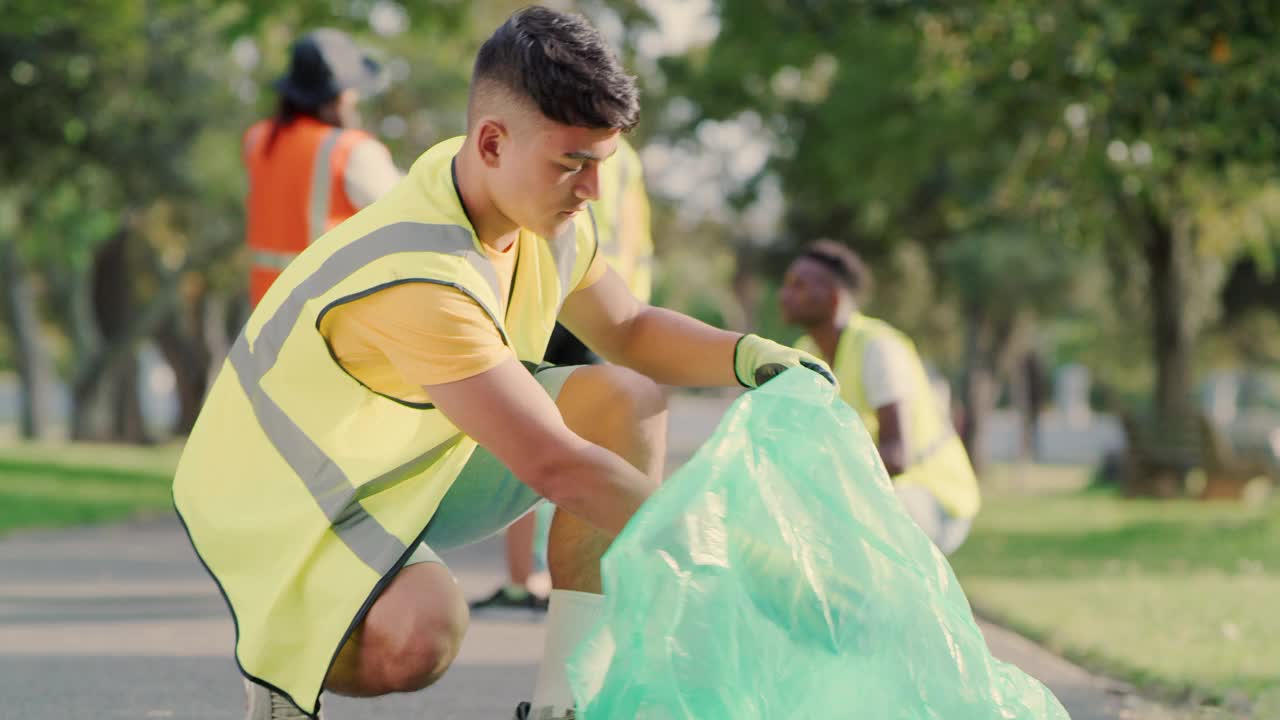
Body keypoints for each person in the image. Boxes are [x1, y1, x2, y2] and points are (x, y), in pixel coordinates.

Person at [173, 7, 832, 720]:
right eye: (572, 164)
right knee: (422, 632)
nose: (591, 192)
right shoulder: (423, 275)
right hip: (294, 492)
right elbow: (556, 466)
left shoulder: (519, 206)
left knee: (628, 401)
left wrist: (753, 357)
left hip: (406, 452)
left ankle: (564, 706)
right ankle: (280, 666)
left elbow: (632, 327)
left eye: (600, 165)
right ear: (491, 143)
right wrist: (738, 554)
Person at [470, 136, 653, 613]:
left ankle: (528, 582)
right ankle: (563, 587)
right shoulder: (623, 156)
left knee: (536, 436)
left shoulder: (563, 138)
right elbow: (640, 242)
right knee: (553, 437)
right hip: (588, 296)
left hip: (571, 293)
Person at [780, 240, 980, 555]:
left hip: (935, 498)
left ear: (833, 297)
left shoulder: (878, 347)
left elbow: (896, 456)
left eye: (799, 285)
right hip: (884, 496)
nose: (784, 294)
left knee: (846, 528)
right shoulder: (804, 353)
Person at [243, 28, 402, 308]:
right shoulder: (353, 151)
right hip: (326, 320)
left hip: (266, 317)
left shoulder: (258, 140)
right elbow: (411, 217)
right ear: (339, 97)